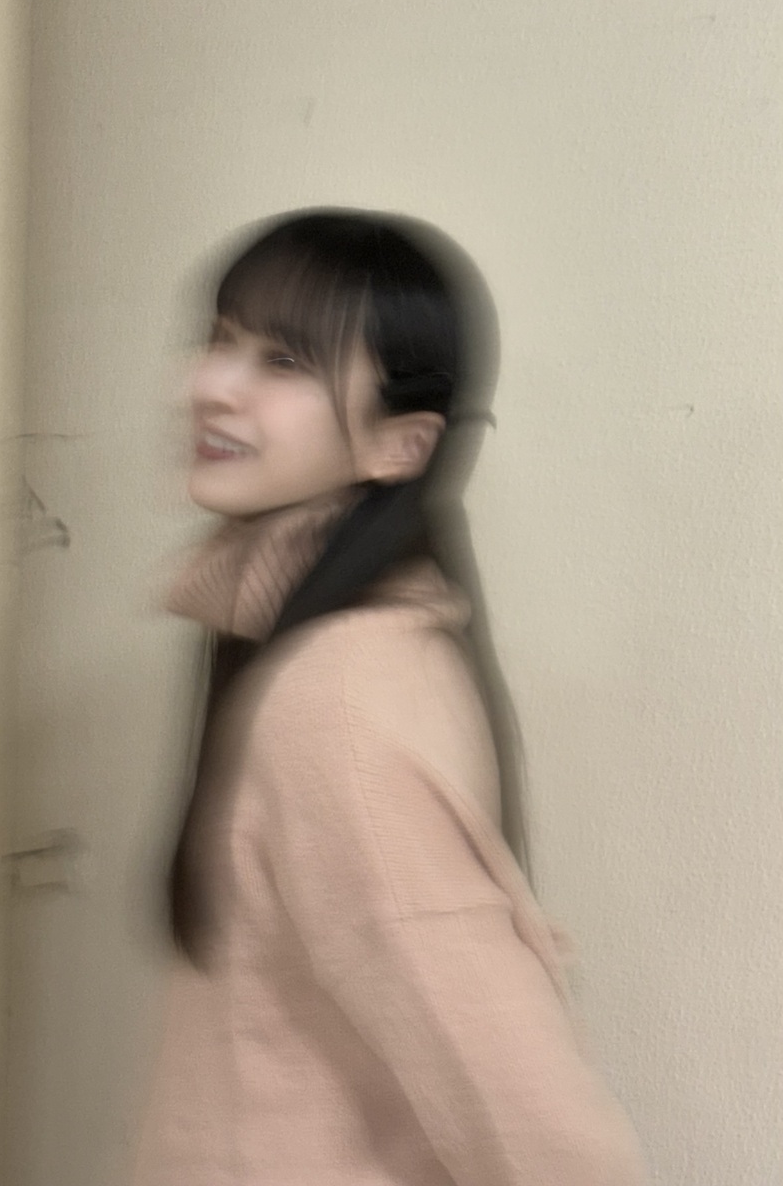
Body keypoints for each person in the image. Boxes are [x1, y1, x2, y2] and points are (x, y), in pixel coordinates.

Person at [137, 209, 646, 1184]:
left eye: (284, 360)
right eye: (219, 339)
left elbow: (545, 1132)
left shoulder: (335, 699)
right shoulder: (328, 644)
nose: (210, 385)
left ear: (402, 445)